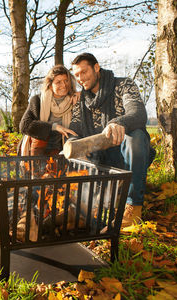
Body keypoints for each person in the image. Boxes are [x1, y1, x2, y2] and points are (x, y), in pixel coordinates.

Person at [68, 52, 156, 228]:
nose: (80, 78)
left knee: (136, 136)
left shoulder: (123, 85)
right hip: (99, 159)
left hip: (125, 157)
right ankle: (86, 209)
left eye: (84, 72)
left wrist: (118, 122)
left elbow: (138, 113)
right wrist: (75, 145)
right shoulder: (81, 100)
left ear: (96, 68)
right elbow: (74, 129)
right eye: (76, 75)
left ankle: (133, 207)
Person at [19, 64, 78, 157]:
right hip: (37, 148)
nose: (64, 85)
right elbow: (24, 125)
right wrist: (55, 127)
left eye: (66, 81)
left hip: (61, 148)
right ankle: (35, 170)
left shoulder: (74, 100)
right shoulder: (37, 100)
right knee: (38, 141)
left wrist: (82, 95)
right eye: (58, 82)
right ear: (50, 85)